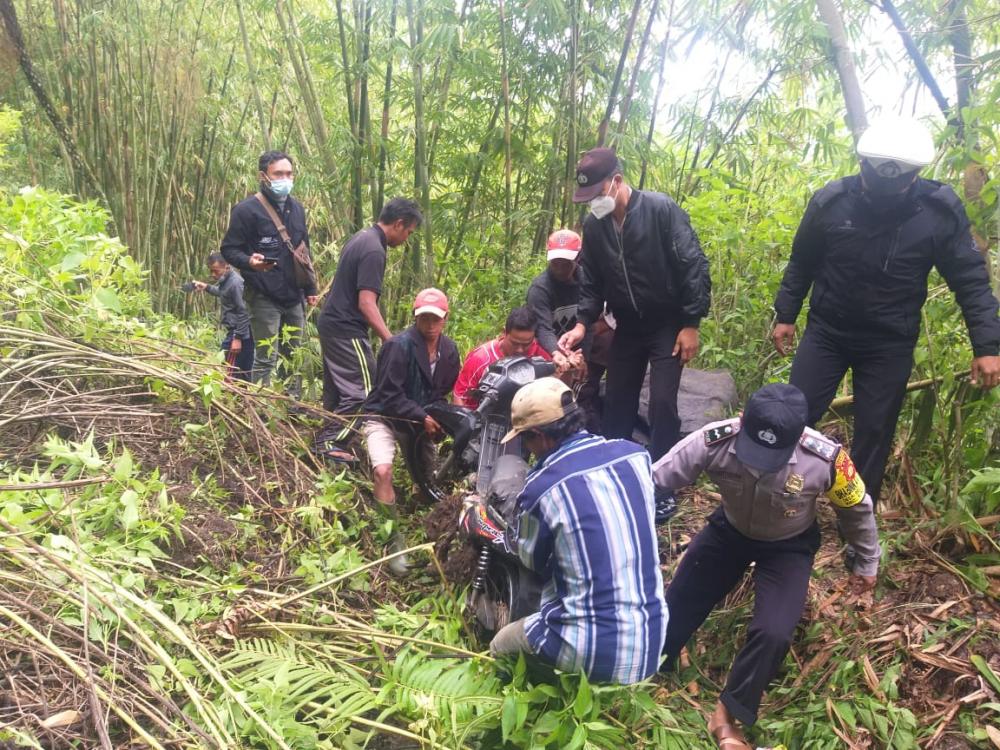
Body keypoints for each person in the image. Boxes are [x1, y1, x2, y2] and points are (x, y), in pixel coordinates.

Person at [773, 117, 1000, 507]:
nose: (884, 194)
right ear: (863, 167)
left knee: (874, 433)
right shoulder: (831, 202)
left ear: (915, 176)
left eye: (896, 186)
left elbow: (970, 280)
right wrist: (786, 314)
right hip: (828, 331)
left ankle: (856, 524)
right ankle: (776, 500)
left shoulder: (938, 213)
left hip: (889, 342)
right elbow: (802, 262)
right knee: (794, 413)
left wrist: (987, 345)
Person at [652, 383, 881, 749]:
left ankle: (728, 712)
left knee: (774, 631)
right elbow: (654, 479)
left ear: (797, 436)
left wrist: (867, 561)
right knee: (678, 602)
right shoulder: (713, 440)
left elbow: (857, 510)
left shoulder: (826, 459)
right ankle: (651, 667)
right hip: (729, 531)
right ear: (742, 421)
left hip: (788, 545)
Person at [459, 377, 667, 684]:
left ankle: (511, 699)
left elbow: (530, 558)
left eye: (526, 440)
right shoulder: (634, 455)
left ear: (540, 436)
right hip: (650, 642)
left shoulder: (541, 488)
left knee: (499, 646)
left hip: (589, 648)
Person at [557, 147, 712, 508]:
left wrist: (691, 323)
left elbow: (693, 265)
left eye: (598, 194)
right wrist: (582, 323)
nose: (594, 202)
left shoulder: (660, 210)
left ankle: (661, 484)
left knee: (661, 402)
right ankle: (614, 472)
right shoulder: (595, 225)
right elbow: (592, 279)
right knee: (618, 402)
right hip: (627, 323)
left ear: (617, 182)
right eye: (588, 198)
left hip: (666, 323)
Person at [314, 198, 424, 462]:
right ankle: (328, 443)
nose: (406, 239)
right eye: (408, 232)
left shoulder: (361, 237)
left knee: (338, 391)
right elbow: (366, 302)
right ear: (399, 224)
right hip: (346, 327)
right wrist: (390, 339)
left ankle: (328, 441)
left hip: (331, 321)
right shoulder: (375, 249)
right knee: (366, 393)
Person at [220, 150, 318, 390]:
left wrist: (311, 288)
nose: (285, 179)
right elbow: (229, 249)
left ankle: (291, 407)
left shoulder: (297, 209)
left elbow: (304, 251)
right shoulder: (246, 210)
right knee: (266, 357)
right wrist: (248, 261)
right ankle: (262, 410)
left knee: (293, 355)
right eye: (278, 174)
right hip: (263, 295)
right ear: (263, 176)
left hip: (294, 295)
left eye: (289, 173)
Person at [362, 288, 461, 508]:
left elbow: (442, 391)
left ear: (445, 317)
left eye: (435, 319)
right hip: (384, 417)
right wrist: (422, 415)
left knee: (430, 480)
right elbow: (388, 394)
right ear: (415, 316)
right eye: (424, 318)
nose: (430, 325)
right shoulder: (398, 346)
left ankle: (425, 519)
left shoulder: (449, 350)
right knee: (383, 470)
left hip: (418, 423)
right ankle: (388, 531)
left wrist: (438, 419)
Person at [452, 306, 552, 408]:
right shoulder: (481, 359)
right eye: (515, 343)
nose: (520, 350)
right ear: (504, 333)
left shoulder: (539, 354)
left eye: (526, 344)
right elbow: (460, 397)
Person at [525, 229, 587, 381]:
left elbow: (588, 322)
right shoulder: (540, 289)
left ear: (577, 258)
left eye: (565, 264)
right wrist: (556, 352)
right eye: (555, 263)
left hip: (578, 346)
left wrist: (584, 355)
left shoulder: (587, 281)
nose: (559, 269)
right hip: (548, 349)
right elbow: (543, 329)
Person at [189, 254, 254, 382]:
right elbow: (223, 293)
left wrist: (238, 338)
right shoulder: (227, 281)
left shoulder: (236, 283)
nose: (213, 274)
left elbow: (243, 311)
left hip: (240, 333)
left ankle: (237, 397)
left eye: (216, 270)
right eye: (211, 271)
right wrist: (206, 287)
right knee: (236, 370)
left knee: (231, 370)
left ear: (226, 266)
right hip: (237, 332)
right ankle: (239, 398)